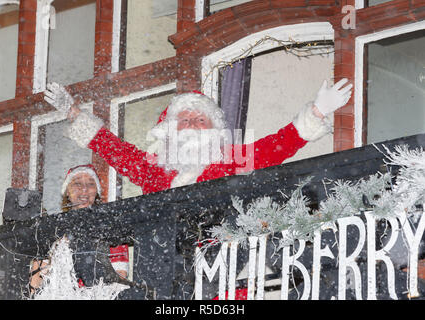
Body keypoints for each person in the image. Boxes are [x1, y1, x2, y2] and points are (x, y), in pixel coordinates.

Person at [43, 79, 352, 194]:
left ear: (214, 130)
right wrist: (74, 114)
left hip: (222, 264)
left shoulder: (231, 159)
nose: (191, 124)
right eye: (184, 119)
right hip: (164, 267)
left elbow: (275, 147)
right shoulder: (154, 169)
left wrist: (317, 113)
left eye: (199, 119)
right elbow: (117, 151)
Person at [28, 164, 129, 295]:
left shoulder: (111, 230)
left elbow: (119, 280)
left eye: (91, 184)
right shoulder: (52, 231)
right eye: (77, 183)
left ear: (96, 192)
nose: (84, 189)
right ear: (67, 193)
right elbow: (35, 284)